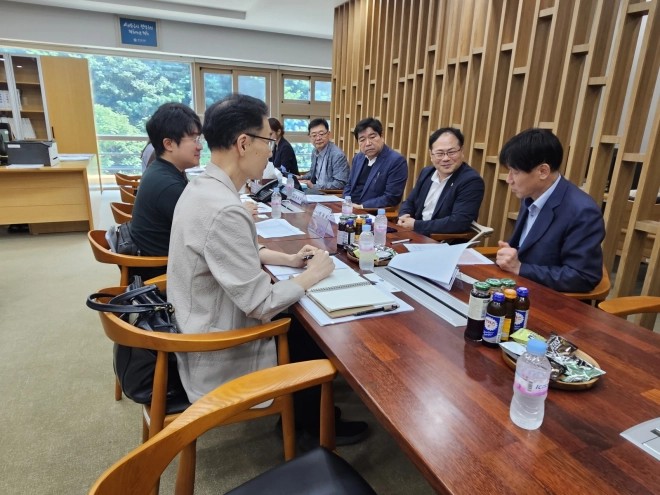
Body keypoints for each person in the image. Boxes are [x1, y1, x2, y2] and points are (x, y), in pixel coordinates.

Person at [167, 93, 368, 445]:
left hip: (196, 322)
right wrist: (312, 274)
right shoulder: (224, 209)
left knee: (302, 318)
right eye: (268, 142)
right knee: (311, 330)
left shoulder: (202, 187)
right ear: (244, 143)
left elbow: (226, 251)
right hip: (215, 346)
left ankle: (303, 417)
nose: (271, 152)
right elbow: (261, 304)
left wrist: (289, 261)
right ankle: (312, 428)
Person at [495, 128, 605, 292]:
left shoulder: (583, 212)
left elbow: (583, 277)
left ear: (543, 171)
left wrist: (520, 268)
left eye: (515, 172)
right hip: (518, 288)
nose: (508, 179)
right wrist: (511, 254)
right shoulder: (531, 195)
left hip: (551, 300)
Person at [130, 102, 202, 279]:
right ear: (169, 144)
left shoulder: (161, 170)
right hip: (163, 274)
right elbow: (206, 235)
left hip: (160, 261)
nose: (199, 146)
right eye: (193, 139)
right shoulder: (168, 186)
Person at [397, 127, 484, 237]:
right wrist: (404, 216)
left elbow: (458, 222)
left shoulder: (471, 181)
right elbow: (409, 202)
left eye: (451, 152)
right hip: (414, 234)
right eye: (440, 153)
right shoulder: (427, 172)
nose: (446, 158)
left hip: (442, 241)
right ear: (431, 155)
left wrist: (416, 225)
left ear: (461, 151)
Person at [344, 117, 408, 209]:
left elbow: (391, 197)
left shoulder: (396, 161)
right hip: (350, 209)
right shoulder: (358, 158)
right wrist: (346, 202)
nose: (368, 143)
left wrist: (362, 207)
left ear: (381, 136)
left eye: (372, 137)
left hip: (372, 212)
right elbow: (349, 186)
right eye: (362, 140)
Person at [298, 118, 349, 190]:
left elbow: (340, 183)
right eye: (314, 135)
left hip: (330, 193)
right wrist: (301, 177)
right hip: (317, 191)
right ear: (310, 137)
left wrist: (314, 186)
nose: (318, 138)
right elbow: (313, 173)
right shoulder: (314, 151)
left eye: (321, 134)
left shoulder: (337, 155)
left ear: (328, 134)